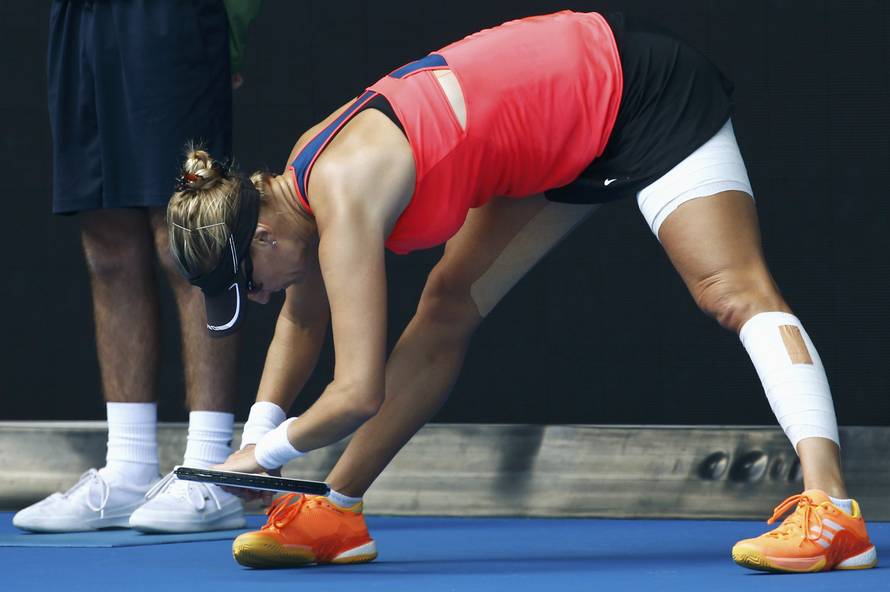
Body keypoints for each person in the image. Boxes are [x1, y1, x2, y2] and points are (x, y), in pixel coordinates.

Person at [166, 11, 876, 571]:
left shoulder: (343, 190)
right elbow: (301, 317)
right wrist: (256, 435)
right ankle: (336, 512)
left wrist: (259, 462)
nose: (257, 299)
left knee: (731, 290)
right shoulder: (296, 191)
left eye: (247, 285)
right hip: (556, 139)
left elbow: (356, 393)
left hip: (642, 91)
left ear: (262, 236)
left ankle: (832, 508)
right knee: (446, 307)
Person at [13, 0, 259, 534]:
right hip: (78, 19)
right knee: (106, 244)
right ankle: (128, 469)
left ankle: (210, 470)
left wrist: (227, 33)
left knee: (186, 239)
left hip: (172, 17)